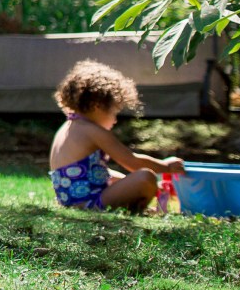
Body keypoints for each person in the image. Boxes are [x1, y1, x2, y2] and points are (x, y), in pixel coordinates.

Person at [48, 59, 186, 213]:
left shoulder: (69, 127)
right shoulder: (93, 131)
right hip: (88, 204)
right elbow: (132, 161)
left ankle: (135, 203)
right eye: (114, 112)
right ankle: (135, 209)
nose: (115, 119)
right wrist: (166, 166)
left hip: (73, 200)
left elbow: (87, 172)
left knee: (113, 175)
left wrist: (124, 182)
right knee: (146, 178)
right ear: (97, 106)